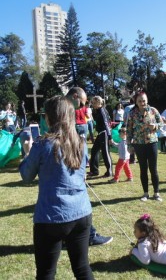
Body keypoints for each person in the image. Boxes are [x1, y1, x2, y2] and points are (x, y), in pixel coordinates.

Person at [19, 96, 94, 279]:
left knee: (46, 273)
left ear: (50, 117)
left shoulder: (42, 144)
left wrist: (27, 151)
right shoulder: (81, 143)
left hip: (51, 217)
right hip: (81, 213)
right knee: (82, 268)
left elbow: (26, 176)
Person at [65, 87, 113, 247]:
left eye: (90, 102)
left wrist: (108, 135)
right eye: (84, 103)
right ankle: (89, 235)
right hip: (68, 162)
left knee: (102, 154)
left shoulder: (100, 111)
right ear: (75, 96)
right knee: (79, 202)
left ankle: (108, 171)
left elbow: (102, 124)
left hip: (99, 137)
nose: (84, 106)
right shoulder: (65, 109)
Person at [127, 91, 163, 202]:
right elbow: (129, 130)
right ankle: (145, 193)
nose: (142, 103)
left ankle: (156, 193)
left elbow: (162, 123)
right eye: (139, 101)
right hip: (139, 145)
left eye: (144, 100)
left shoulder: (153, 111)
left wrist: (155, 126)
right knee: (143, 169)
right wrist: (129, 145)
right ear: (136, 102)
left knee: (153, 169)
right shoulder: (132, 114)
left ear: (147, 100)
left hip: (152, 143)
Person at [88, 96, 113, 178]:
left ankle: (109, 172)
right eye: (92, 103)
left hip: (104, 133)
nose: (93, 104)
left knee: (105, 152)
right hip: (100, 133)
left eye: (94, 103)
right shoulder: (98, 111)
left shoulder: (102, 111)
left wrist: (109, 136)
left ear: (100, 103)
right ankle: (94, 171)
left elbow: (106, 123)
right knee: (94, 150)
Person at [123, 98, 136, 164]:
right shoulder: (137, 107)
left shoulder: (127, 107)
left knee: (130, 142)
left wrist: (124, 126)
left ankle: (132, 159)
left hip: (129, 126)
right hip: (136, 126)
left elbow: (124, 118)